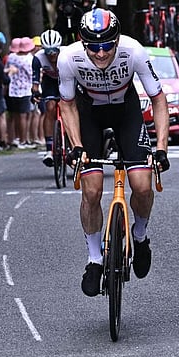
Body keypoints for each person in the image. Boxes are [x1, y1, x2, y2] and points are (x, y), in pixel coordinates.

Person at [57, 8, 170, 297]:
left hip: (126, 113)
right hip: (89, 115)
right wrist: (76, 145)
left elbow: (158, 100)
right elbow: (67, 105)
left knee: (143, 186)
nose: (100, 52)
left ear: (117, 39)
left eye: (107, 45)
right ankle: (94, 259)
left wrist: (160, 148)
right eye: (93, 46)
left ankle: (140, 236)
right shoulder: (69, 58)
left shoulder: (134, 51)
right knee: (91, 192)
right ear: (83, 43)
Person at [32, 29, 63, 166]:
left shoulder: (67, 54)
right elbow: (35, 83)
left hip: (65, 79)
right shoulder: (38, 58)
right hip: (50, 81)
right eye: (48, 51)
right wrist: (35, 93)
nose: (51, 55)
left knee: (68, 108)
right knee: (49, 107)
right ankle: (49, 148)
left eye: (54, 51)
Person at [4, 37, 35, 149]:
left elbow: (6, 69)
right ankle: (23, 140)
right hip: (25, 90)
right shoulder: (29, 59)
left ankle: (13, 138)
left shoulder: (11, 57)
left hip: (12, 90)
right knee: (24, 116)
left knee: (14, 115)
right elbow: (32, 74)